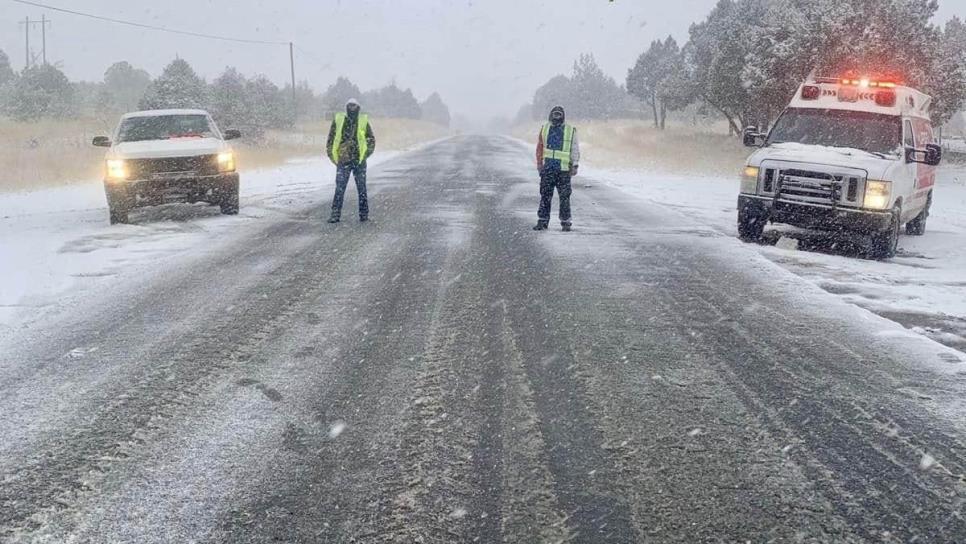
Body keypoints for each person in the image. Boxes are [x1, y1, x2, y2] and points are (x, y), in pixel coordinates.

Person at [326, 98, 376, 223]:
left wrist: (365, 154)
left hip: (359, 161)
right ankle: (335, 215)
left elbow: (371, 139)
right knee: (340, 188)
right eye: (350, 106)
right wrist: (333, 157)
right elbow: (331, 140)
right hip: (343, 160)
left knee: (361, 189)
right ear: (347, 107)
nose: (352, 108)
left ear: (358, 107)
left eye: (354, 106)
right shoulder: (338, 120)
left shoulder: (363, 121)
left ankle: (363, 215)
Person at [534, 105, 580, 231]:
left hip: (564, 170)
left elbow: (574, 148)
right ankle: (542, 221)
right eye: (555, 114)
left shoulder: (571, 130)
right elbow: (540, 148)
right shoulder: (545, 129)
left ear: (563, 116)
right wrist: (539, 164)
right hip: (547, 168)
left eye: (559, 114)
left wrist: (575, 164)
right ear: (551, 115)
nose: (557, 116)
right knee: (545, 195)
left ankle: (566, 222)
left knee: (564, 197)